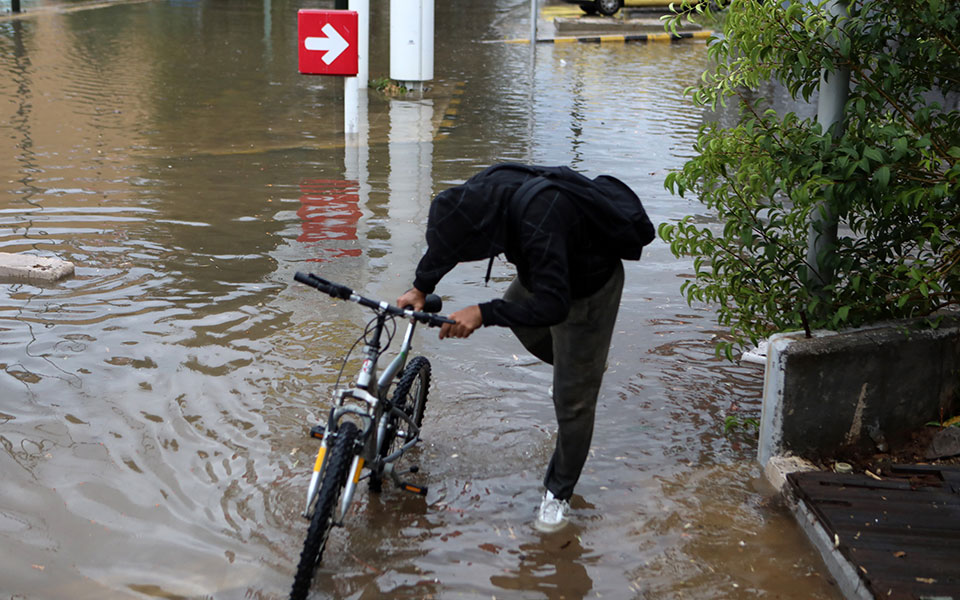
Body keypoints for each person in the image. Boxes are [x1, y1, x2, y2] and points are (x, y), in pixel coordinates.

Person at [397, 163, 642, 532]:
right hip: (541, 273)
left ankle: (557, 494)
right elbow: (448, 243)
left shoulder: (538, 218)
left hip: (586, 290)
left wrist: (483, 312)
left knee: (573, 402)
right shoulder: (478, 196)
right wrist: (420, 285)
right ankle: (578, 367)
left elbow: (556, 305)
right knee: (532, 332)